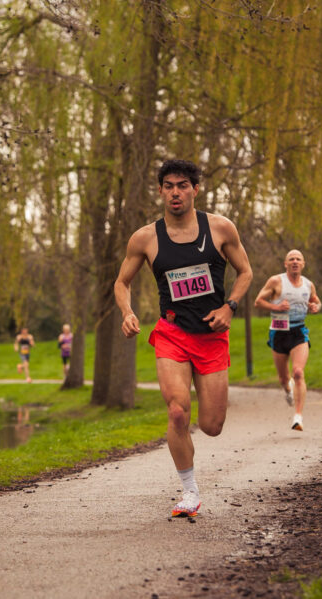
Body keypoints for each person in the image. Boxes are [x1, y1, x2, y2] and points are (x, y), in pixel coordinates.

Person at [115, 159, 253, 518]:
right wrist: (128, 313)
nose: (175, 192)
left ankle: (196, 457)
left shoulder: (221, 229)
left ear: (194, 189)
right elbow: (121, 282)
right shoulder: (145, 237)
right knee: (177, 410)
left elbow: (246, 272)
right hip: (172, 333)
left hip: (210, 337)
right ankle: (189, 492)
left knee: (212, 426)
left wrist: (230, 307)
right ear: (160, 190)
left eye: (182, 186)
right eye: (169, 186)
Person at [254, 249, 322, 431]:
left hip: (299, 331)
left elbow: (316, 301)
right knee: (284, 378)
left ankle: (298, 417)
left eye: (298, 259)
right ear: (286, 264)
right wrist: (275, 306)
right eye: (291, 259)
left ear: (303, 264)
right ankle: (288, 390)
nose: (294, 262)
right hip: (278, 331)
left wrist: (316, 307)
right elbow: (258, 301)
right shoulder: (276, 281)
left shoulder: (308, 285)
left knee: (298, 372)